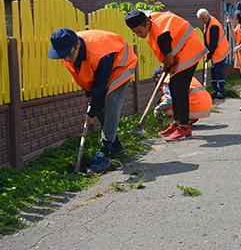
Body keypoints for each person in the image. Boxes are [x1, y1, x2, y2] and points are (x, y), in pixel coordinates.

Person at [48, 28, 138, 173]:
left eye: (70, 55)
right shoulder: (67, 52)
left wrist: (91, 114)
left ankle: (104, 152)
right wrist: (89, 94)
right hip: (103, 69)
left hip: (121, 63)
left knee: (110, 100)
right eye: (64, 56)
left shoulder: (99, 54)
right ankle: (116, 146)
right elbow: (84, 74)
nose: (67, 59)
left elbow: (101, 85)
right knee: (99, 105)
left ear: (77, 44)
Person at [125, 9, 208, 141]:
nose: (138, 35)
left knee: (180, 88)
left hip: (190, 51)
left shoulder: (161, 34)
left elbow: (169, 61)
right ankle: (176, 124)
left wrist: (164, 68)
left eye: (139, 31)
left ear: (147, 24)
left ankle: (184, 128)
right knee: (174, 86)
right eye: (135, 33)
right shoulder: (151, 19)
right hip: (182, 51)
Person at [196, 8, 231, 99]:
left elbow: (213, 43)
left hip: (220, 52)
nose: (202, 21)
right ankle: (216, 91)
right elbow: (207, 40)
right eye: (201, 19)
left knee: (219, 72)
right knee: (213, 72)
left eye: (203, 18)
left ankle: (221, 92)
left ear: (208, 15)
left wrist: (208, 56)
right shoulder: (208, 23)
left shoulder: (213, 26)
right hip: (215, 53)